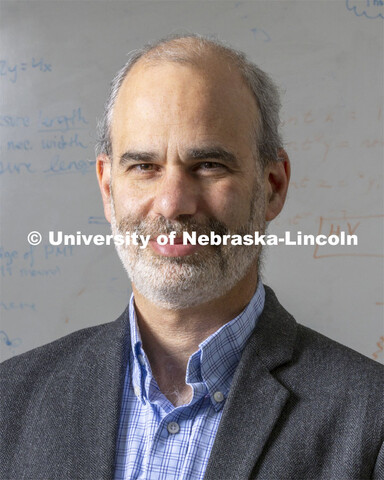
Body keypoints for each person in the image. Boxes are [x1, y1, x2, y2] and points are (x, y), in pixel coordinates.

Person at [0, 34, 383, 480]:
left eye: (208, 166)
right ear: (108, 189)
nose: (172, 203)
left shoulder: (371, 422)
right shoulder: (11, 400)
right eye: (144, 167)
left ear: (273, 187)